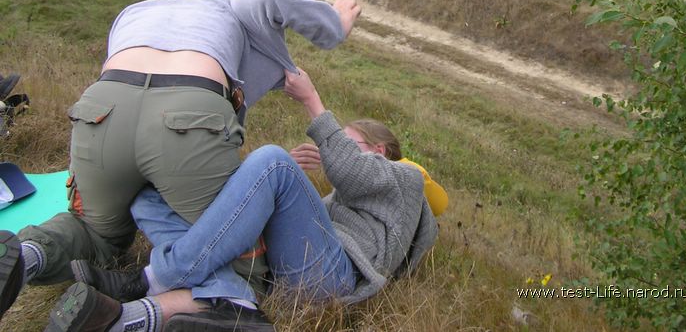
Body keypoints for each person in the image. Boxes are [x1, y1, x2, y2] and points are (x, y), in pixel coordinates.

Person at [0, 0, 362, 325]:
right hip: (188, 113)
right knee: (235, 249)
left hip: (103, 108)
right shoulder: (230, 5)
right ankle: (221, 302)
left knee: (94, 230)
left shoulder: (136, 12)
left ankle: (28, 254)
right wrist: (336, 25)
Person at [44, 69, 446, 332]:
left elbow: (353, 172)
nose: (333, 146)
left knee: (270, 160)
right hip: (293, 270)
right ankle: (203, 301)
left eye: (348, 141)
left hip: (332, 280)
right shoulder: (349, 196)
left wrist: (312, 101)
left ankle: (154, 278)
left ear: (378, 150)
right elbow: (309, 209)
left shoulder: (406, 179)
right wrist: (285, 180)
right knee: (148, 198)